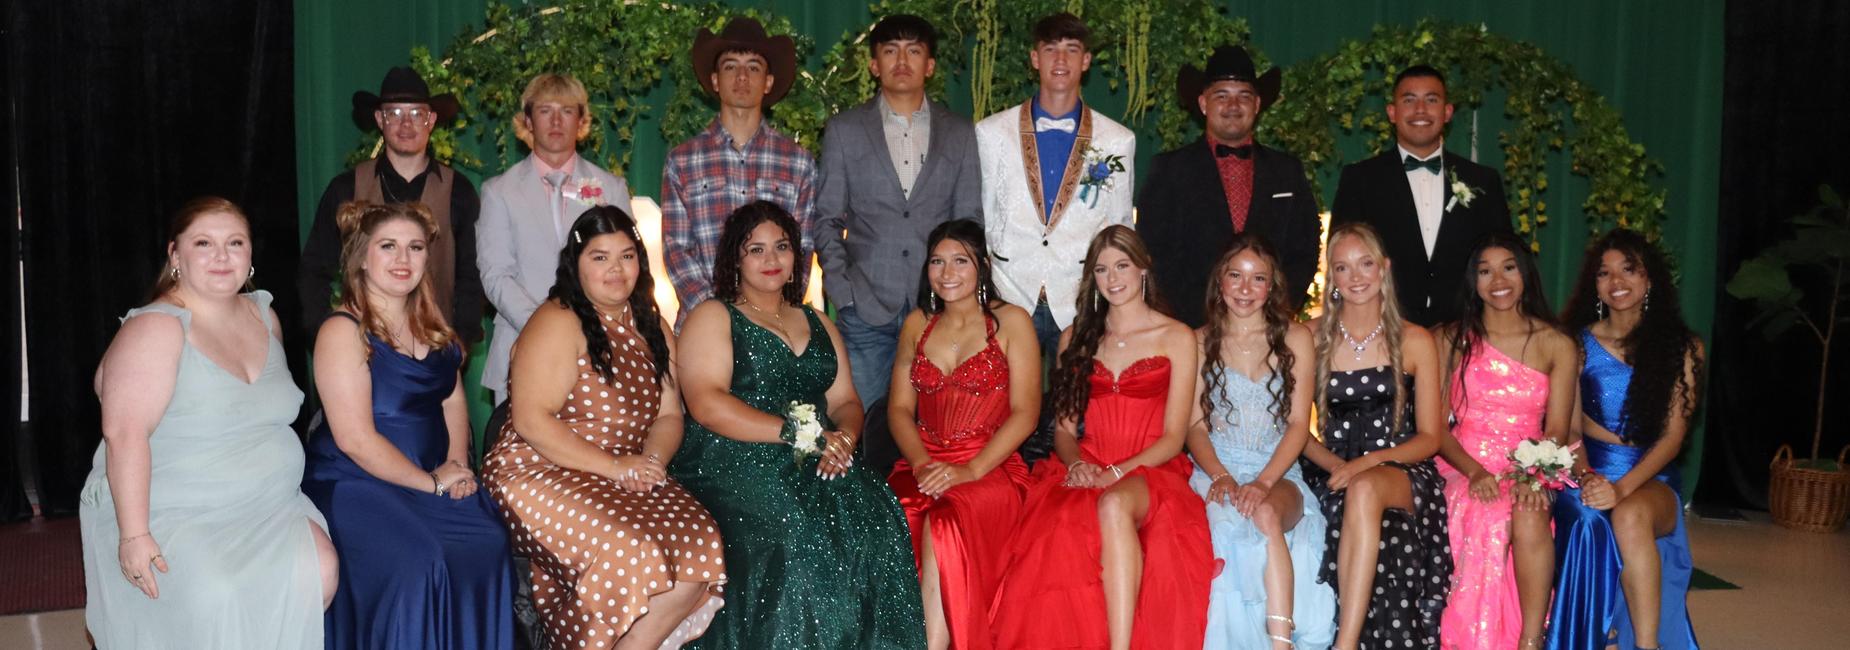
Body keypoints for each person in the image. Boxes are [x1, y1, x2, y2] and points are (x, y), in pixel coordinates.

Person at [81, 197, 337, 648]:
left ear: (250, 254)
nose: (222, 255)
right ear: (175, 255)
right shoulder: (157, 328)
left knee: (319, 570)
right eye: (204, 243)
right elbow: (124, 435)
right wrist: (134, 535)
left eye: (235, 243)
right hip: (175, 508)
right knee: (218, 595)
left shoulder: (264, 315)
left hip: (269, 505)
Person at [669, 201, 923, 648]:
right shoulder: (714, 315)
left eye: (781, 247)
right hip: (736, 454)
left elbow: (845, 400)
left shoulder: (818, 319)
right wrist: (795, 435)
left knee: (877, 512)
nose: (771, 259)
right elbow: (706, 403)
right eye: (756, 250)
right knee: (797, 526)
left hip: (816, 450)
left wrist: (844, 439)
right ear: (735, 260)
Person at [483, 207, 726, 648]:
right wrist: (615, 468)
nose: (616, 269)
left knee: (699, 541)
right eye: (600, 257)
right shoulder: (558, 320)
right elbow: (531, 421)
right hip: (539, 468)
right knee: (630, 551)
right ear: (576, 265)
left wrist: (651, 462)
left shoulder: (652, 323)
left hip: (624, 470)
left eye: (626, 256)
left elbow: (669, 415)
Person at [302, 202, 514, 649]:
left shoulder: (433, 326)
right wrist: (431, 483)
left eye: (415, 247)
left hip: (432, 471)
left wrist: (457, 465)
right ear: (361, 258)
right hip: (356, 481)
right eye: (388, 246)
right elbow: (355, 440)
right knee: (421, 560)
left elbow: (453, 399)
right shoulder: (342, 331)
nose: (403, 259)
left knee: (490, 541)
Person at [990, 225, 1210, 650]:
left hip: (1151, 469)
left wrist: (1115, 473)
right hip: (1087, 463)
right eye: (1102, 269)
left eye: (1122, 266)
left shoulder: (1177, 336)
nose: (1113, 278)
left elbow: (1173, 437)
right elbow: (1064, 431)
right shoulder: (1076, 338)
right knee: (1056, 527)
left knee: (1112, 504)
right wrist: (1076, 463)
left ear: (1143, 268)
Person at [814, 14, 983, 413]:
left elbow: (969, 221)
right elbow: (826, 219)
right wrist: (844, 293)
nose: (902, 61)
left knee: (937, 423)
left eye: (914, 51)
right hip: (865, 310)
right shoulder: (845, 130)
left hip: (938, 306)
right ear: (874, 65)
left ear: (930, 65)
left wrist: (958, 291)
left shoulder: (960, 133)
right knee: (865, 423)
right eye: (890, 51)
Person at [884, 219, 1039, 650]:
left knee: (945, 521)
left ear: (983, 266)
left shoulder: (1012, 322)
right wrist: (920, 463)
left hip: (990, 466)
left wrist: (970, 470)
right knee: (892, 512)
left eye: (960, 261)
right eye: (937, 262)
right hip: (923, 461)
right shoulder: (917, 324)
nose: (947, 272)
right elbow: (898, 410)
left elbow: (1026, 414)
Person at [1548, 229, 1703, 650]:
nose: (1616, 280)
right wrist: (1588, 477)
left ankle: (1645, 645)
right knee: (1587, 514)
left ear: (1649, 278)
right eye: (1605, 273)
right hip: (1589, 468)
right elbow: (1570, 431)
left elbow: (1672, 438)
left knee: (1630, 514)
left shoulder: (1684, 347)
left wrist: (1619, 489)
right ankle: (1589, 635)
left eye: (1629, 269)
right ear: (1594, 284)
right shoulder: (1575, 343)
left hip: (1652, 477)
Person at [1298, 222, 1451, 649]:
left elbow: (1430, 437)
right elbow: (1295, 430)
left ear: (1383, 268)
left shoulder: (1416, 339)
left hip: (1400, 467)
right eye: (1342, 267)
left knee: (1364, 488)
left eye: (1365, 264)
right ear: (1331, 277)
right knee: (1373, 523)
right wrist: (1338, 466)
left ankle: (1344, 644)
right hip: (1330, 467)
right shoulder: (1309, 337)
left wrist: (1365, 464)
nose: (1356, 276)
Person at [1185, 233, 1335, 650]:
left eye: (1258, 278)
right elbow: (1194, 425)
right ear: (1220, 280)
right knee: (1226, 531)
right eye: (1235, 276)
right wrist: (1221, 475)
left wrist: (1264, 481)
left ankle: (1281, 644)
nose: (1245, 288)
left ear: (1272, 285)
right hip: (1216, 470)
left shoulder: (1296, 338)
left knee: (1266, 514)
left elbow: (1297, 425)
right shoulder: (1198, 341)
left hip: (1278, 470)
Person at [1433, 233, 1577, 650]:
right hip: (1463, 461)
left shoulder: (1556, 343)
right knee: (1489, 511)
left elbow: (1557, 430)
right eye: (1485, 271)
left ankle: (1530, 638)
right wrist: (1475, 471)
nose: (1498, 280)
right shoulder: (1450, 338)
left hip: (1529, 464)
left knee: (1530, 512)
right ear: (1473, 281)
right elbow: (1435, 428)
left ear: (1525, 274)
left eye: (1508, 268)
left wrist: (1535, 476)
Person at [975, 12, 1136, 362]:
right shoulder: (991, 132)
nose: (1060, 60)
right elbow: (984, 212)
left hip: (1080, 295)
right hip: (1010, 289)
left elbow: (1120, 227)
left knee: (1078, 396)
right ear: (1035, 58)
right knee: (1010, 396)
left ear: (1086, 60)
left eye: (1072, 49)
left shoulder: (1117, 140)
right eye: (1050, 49)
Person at [478, 73, 634, 404]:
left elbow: (627, 267)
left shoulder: (611, 188)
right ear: (527, 121)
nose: (556, 121)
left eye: (566, 110)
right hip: (520, 342)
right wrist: (548, 328)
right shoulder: (498, 192)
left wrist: (590, 328)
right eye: (545, 110)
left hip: (600, 345)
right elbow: (495, 274)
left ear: (582, 120)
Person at [300, 66, 483, 346]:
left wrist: (460, 345)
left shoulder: (459, 191)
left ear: (431, 120)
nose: (406, 124)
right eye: (394, 113)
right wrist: (327, 335)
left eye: (416, 114)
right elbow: (313, 270)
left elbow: (471, 276)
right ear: (379, 119)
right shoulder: (346, 189)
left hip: (436, 348)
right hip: (362, 349)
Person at [1140, 45, 1321, 326]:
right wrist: (1199, 322)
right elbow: (1156, 253)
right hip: (1191, 327)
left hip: (1267, 325)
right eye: (1221, 96)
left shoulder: (1287, 171)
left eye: (1243, 96)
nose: (1233, 106)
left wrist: (1275, 312)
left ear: (1257, 105)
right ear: (1203, 103)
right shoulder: (1169, 170)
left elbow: (1304, 249)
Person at [663, 17, 818, 325]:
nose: (742, 77)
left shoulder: (798, 162)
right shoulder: (683, 160)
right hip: (703, 324)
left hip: (774, 324)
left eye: (754, 67)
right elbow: (676, 249)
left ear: (768, 82)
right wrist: (719, 314)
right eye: (731, 66)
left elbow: (802, 249)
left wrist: (772, 315)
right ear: (715, 80)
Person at [1330, 65, 1511, 327]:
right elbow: (1340, 255)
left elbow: (1503, 255)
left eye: (1431, 100)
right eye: (1409, 100)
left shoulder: (1483, 180)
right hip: (1385, 327)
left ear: (1447, 112)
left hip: (1465, 329)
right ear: (1392, 112)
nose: (1420, 110)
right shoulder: (1359, 179)